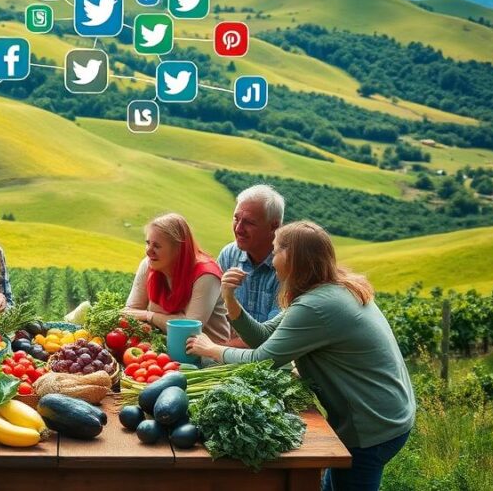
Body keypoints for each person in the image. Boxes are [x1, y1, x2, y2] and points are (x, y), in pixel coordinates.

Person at [187, 221, 415, 491]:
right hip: (388, 412)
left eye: (276, 251)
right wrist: (230, 298)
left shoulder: (317, 305)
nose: (272, 261)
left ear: (292, 257)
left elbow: (264, 359)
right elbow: (265, 336)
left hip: (371, 426)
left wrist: (212, 349)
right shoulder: (330, 289)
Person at [124, 213, 231, 343]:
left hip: (208, 356)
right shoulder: (149, 264)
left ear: (179, 249)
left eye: (156, 246)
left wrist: (149, 316)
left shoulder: (206, 275)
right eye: (148, 243)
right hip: (162, 346)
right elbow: (131, 312)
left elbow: (188, 329)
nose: (148, 251)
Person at [217, 184, 285, 322]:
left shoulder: (288, 265)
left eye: (249, 222)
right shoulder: (229, 255)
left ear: (274, 226)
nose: (239, 228)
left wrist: (214, 344)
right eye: (236, 219)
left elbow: (273, 334)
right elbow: (214, 315)